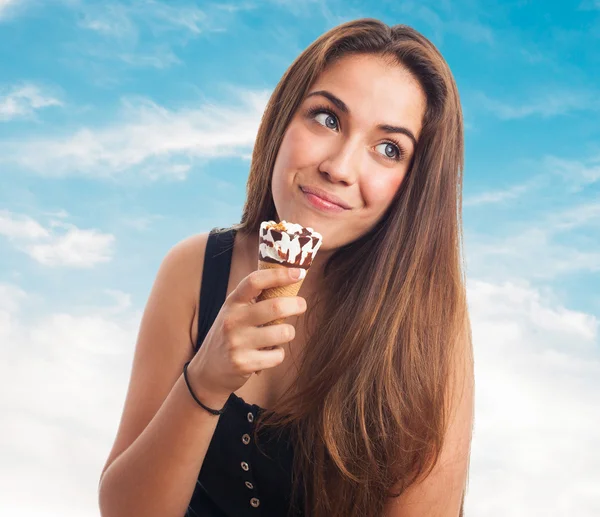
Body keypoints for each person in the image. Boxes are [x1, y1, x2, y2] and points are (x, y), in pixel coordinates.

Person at [98, 18, 474, 517]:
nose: (339, 167)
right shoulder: (193, 269)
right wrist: (205, 382)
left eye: (388, 149)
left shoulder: (430, 328)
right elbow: (125, 511)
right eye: (326, 118)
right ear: (282, 120)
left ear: (414, 184)